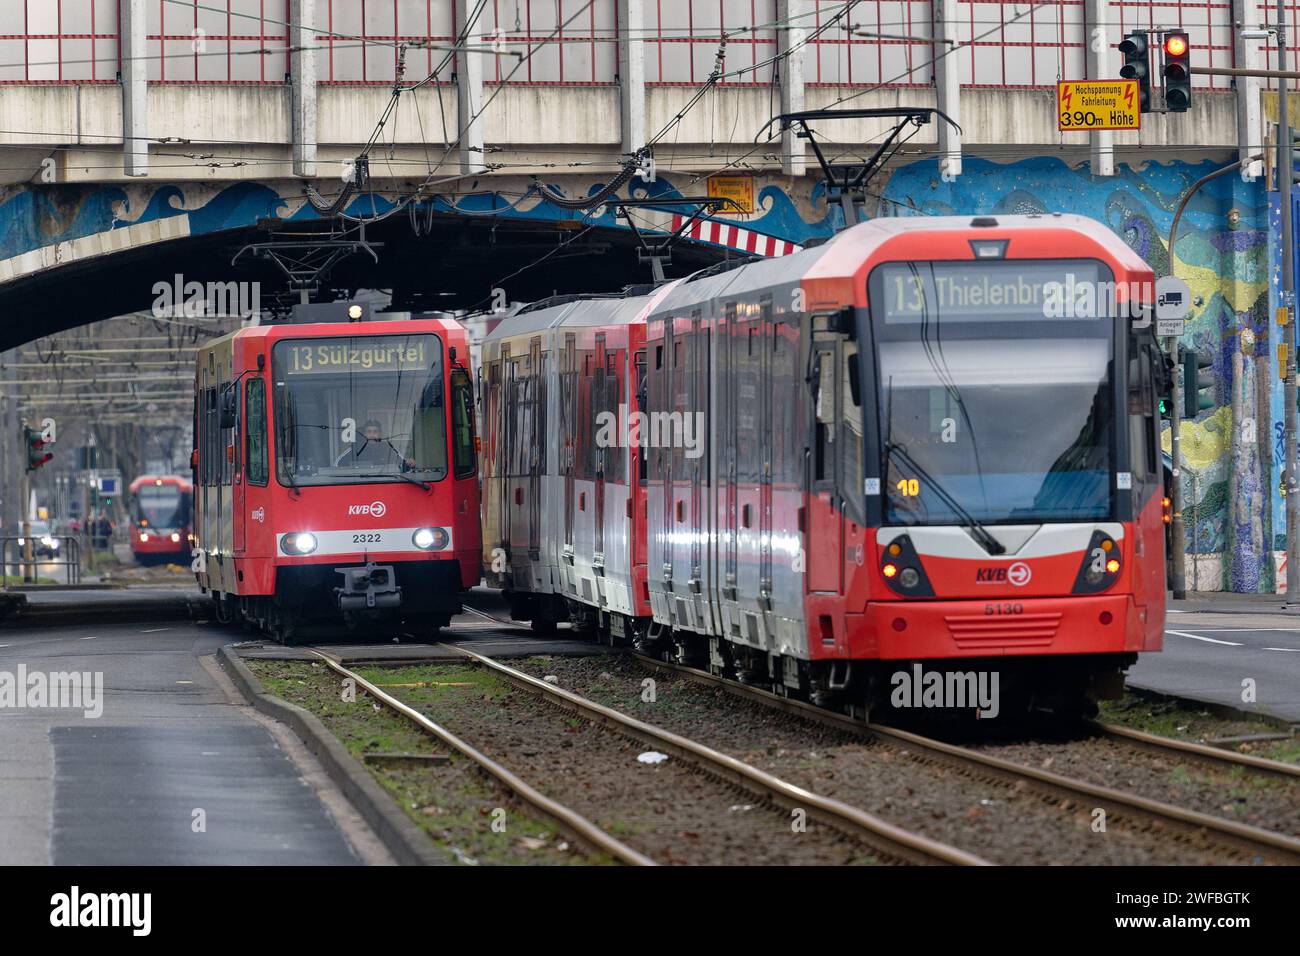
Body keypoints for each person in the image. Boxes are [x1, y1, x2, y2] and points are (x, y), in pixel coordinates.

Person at [336, 419, 416, 470]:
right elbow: (337, 465)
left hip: (383, 486)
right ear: (364, 434)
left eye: (375, 432)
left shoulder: (388, 449)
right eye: (369, 432)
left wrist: (408, 463)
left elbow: (402, 465)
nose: (372, 435)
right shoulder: (354, 449)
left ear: (380, 434)